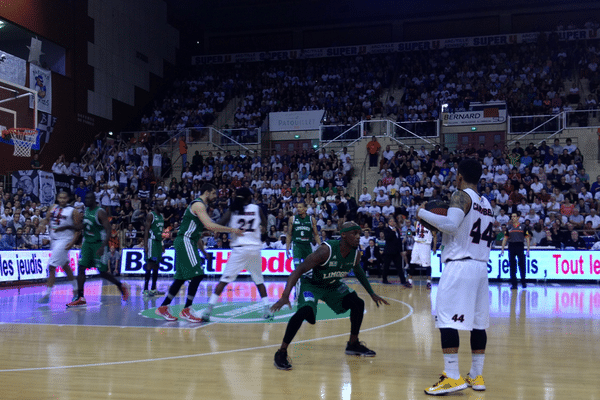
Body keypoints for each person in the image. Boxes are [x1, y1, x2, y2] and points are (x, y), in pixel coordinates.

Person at [417, 158, 494, 395]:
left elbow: (450, 225)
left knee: (447, 320)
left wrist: (422, 213)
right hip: (481, 268)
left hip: (460, 266)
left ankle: (452, 376)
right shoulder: (487, 204)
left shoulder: (461, 195)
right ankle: (476, 375)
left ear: (459, 176)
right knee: (478, 324)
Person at [271, 222, 389, 370]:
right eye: (354, 233)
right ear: (344, 235)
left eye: (359, 234)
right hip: (312, 284)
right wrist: (285, 296)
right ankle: (281, 352)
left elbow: (358, 271)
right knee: (305, 312)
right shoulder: (325, 251)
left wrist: (372, 293)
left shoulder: (355, 253)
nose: (358, 237)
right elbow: (298, 270)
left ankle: (353, 344)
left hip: (332, 284)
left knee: (357, 303)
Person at [154, 183, 244, 322]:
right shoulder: (199, 205)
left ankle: (163, 307)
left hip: (187, 241)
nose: (216, 196)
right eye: (214, 193)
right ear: (207, 193)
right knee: (198, 275)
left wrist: (203, 251)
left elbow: (198, 232)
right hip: (185, 241)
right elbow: (209, 226)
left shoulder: (202, 207)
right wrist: (232, 230)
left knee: (180, 279)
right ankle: (187, 309)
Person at [199, 187, 272, 321]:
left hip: (240, 249)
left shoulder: (232, 210)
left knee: (224, 280)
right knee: (259, 280)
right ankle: (267, 309)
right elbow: (265, 225)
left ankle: (208, 310)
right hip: (255, 249)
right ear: (249, 197)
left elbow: (219, 224)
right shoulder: (257, 209)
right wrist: (262, 234)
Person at [67, 192, 130, 307]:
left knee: (102, 272)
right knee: (81, 268)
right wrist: (69, 226)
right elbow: (83, 226)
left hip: (99, 244)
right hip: (87, 243)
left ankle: (121, 286)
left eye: (88, 198)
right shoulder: (85, 211)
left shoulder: (100, 212)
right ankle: (80, 297)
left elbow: (108, 230)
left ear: (94, 200)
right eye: (85, 197)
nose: (86, 199)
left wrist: (103, 246)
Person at [37, 191, 80, 304]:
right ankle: (76, 288)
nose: (62, 200)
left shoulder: (73, 211)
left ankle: (47, 294)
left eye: (64, 198)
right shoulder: (53, 207)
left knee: (51, 266)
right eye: (60, 198)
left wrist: (72, 242)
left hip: (65, 240)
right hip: (54, 239)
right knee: (65, 265)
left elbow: (78, 229)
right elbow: (47, 219)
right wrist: (42, 225)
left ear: (68, 199)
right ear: (57, 198)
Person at [286, 201, 321, 299]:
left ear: (306, 209)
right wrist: (287, 248)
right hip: (297, 246)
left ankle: (310, 290)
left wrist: (321, 245)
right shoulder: (292, 219)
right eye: (298, 207)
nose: (298, 209)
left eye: (301, 207)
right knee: (298, 270)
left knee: (310, 271)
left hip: (307, 246)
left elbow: (316, 234)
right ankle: (298, 292)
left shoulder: (311, 219)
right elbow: (289, 234)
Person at [500, 212, 531, 289]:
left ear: (518, 217)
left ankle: (523, 282)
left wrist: (528, 249)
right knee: (512, 265)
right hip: (511, 246)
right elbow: (505, 238)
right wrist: (502, 248)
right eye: (512, 216)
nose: (513, 217)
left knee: (522, 264)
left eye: (514, 216)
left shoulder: (523, 226)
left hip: (520, 245)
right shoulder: (509, 227)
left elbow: (527, 238)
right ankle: (514, 284)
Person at [143, 201, 166, 296]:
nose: (162, 206)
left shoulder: (161, 217)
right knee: (150, 265)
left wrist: (162, 244)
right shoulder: (150, 215)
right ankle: (145, 289)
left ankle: (153, 289)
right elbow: (146, 230)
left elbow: (161, 232)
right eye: (160, 204)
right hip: (151, 242)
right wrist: (145, 245)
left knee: (156, 266)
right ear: (155, 205)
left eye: (162, 205)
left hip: (158, 243)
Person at [382, 216, 410, 287]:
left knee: (399, 267)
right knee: (386, 266)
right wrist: (392, 232)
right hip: (388, 251)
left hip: (396, 252)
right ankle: (384, 279)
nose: (392, 222)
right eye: (391, 221)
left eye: (393, 221)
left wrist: (401, 250)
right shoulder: (386, 229)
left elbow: (399, 241)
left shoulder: (397, 229)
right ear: (388, 223)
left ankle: (403, 280)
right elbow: (387, 238)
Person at [408, 220, 437, 289]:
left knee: (427, 264)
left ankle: (428, 282)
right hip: (417, 244)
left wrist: (434, 246)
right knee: (412, 262)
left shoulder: (431, 223)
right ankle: (409, 281)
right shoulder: (416, 223)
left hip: (425, 245)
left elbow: (435, 236)